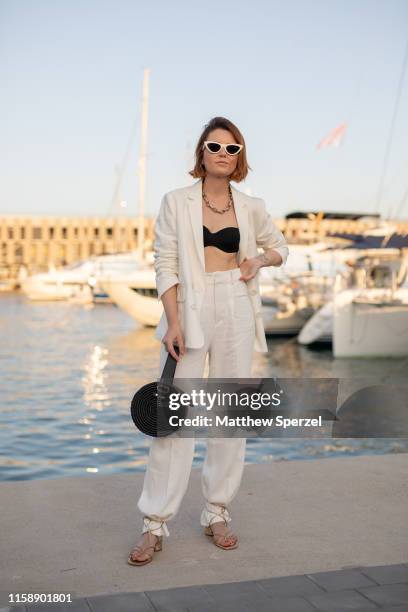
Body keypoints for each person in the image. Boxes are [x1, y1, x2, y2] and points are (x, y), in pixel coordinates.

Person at [128, 116, 289, 566]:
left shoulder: (251, 205)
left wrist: (258, 261)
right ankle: (154, 523)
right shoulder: (175, 202)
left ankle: (217, 512)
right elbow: (165, 263)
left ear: (240, 158)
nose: (222, 154)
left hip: (237, 303)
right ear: (202, 152)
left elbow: (282, 247)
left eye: (232, 149)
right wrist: (172, 322)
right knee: (175, 417)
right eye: (214, 146)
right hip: (191, 309)